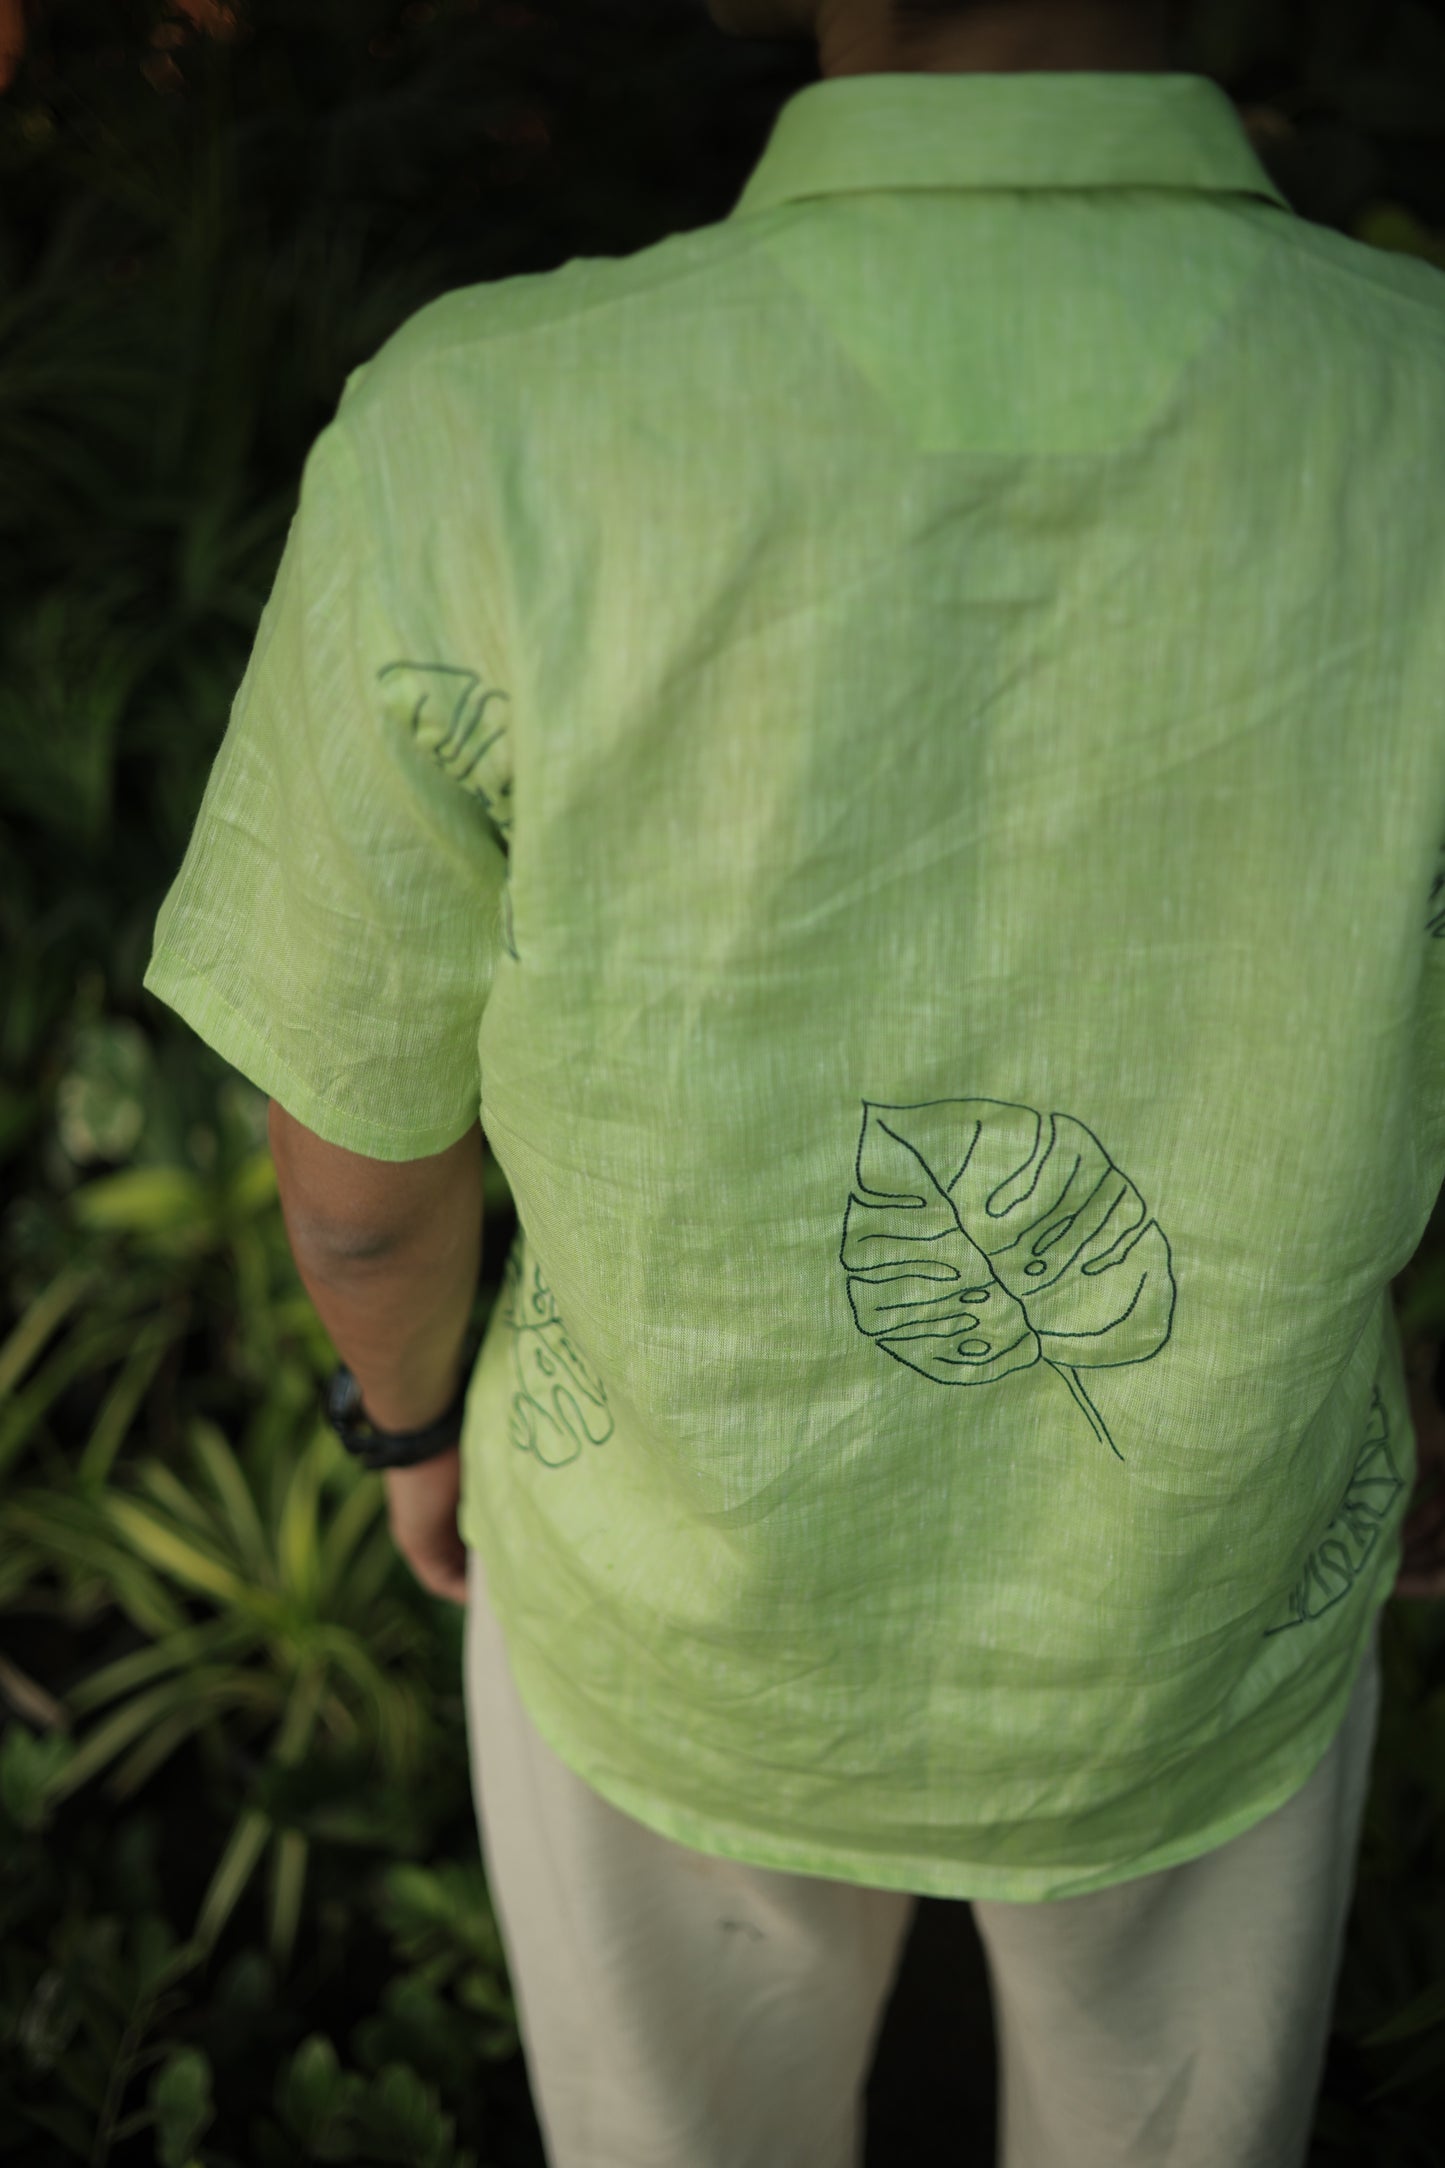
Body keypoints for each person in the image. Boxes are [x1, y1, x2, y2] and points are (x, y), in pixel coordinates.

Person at [143, 0, 1445, 2159]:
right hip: (1213, 1593)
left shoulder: (488, 436)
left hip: (666, 1595)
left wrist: (413, 1419)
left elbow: (362, 1178)